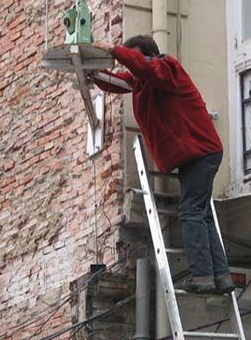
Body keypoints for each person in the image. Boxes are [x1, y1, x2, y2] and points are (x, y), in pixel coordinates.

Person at [92, 35, 233, 294]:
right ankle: (220, 277)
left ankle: (203, 276)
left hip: (201, 153)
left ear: (148, 55)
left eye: (134, 58)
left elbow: (143, 68)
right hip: (196, 154)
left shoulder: (167, 68)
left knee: (191, 212)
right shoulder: (142, 81)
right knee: (200, 215)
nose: (131, 66)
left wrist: (114, 49)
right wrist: (89, 72)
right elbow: (116, 81)